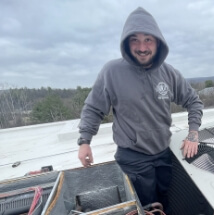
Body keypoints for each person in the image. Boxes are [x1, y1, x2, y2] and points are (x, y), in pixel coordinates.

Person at [77, 7, 203, 214]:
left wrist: (193, 134)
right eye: (134, 40)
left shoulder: (169, 73)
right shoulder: (112, 72)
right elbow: (93, 108)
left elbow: (194, 101)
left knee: (164, 201)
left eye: (148, 40)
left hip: (164, 155)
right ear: (126, 42)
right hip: (132, 159)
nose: (142, 47)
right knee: (140, 208)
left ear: (158, 42)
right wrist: (84, 141)